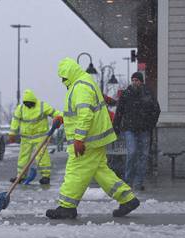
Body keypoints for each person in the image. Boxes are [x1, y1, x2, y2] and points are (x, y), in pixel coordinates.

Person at [46, 57, 140, 219]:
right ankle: (127, 199)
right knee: (101, 172)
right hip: (94, 140)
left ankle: (67, 207)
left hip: (87, 141)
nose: (62, 81)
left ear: (70, 73)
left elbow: (86, 114)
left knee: (75, 171)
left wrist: (79, 139)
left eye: (63, 77)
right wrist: (62, 117)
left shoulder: (80, 87)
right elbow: (78, 113)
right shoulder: (83, 83)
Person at [113, 72, 161, 191]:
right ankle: (128, 181)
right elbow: (119, 112)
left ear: (141, 81)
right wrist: (116, 127)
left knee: (143, 156)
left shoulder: (148, 94)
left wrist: (150, 124)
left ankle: (139, 183)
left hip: (144, 129)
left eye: (137, 80)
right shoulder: (126, 94)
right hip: (130, 129)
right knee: (132, 153)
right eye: (133, 80)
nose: (135, 82)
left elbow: (156, 110)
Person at [8, 89, 61, 185]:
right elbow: (15, 121)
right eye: (26, 103)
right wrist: (12, 133)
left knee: (42, 156)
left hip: (40, 137)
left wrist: (59, 117)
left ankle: (46, 176)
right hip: (26, 137)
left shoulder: (41, 106)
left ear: (34, 101)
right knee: (23, 157)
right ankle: (20, 176)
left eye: (30, 103)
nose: (28, 105)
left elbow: (54, 113)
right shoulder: (20, 109)